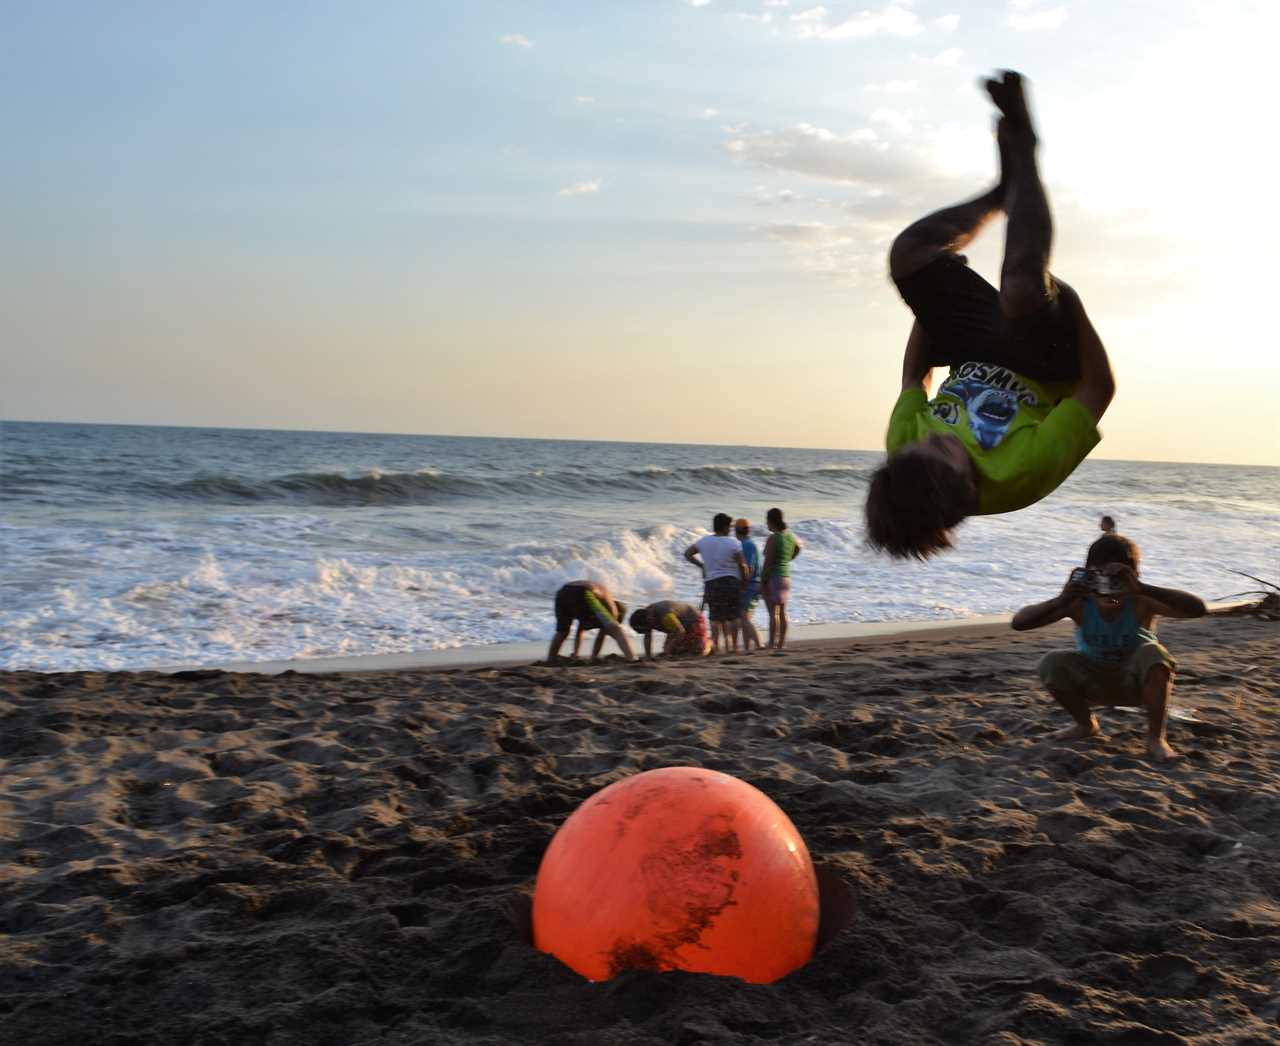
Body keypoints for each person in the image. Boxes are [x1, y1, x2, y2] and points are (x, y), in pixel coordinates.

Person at [865, 70, 1116, 560]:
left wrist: (934, 311)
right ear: (965, 485)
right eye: (940, 448)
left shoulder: (906, 453)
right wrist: (1074, 304)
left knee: (908, 256)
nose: (931, 436)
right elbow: (1099, 389)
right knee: (1021, 287)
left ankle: (1003, 191)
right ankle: (1027, 155)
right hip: (1049, 363)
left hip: (974, 345)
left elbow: (915, 377)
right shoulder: (1020, 475)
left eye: (918, 445)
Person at [1011, 532, 1206, 761]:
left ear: (1133, 575)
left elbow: (1197, 609)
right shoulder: (1080, 604)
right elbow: (1019, 623)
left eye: (1117, 578)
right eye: (1100, 577)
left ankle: (1156, 738)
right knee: (1052, 661)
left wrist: (1143, 588)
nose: (1109, 586)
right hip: (1095, 682)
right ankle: (1085, 725)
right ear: (1088, 575)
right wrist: (1060, 600)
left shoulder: (1141, 601)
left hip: (1137, 683)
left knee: (1153, 653)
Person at [683, 513, 749, 653]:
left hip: (712, 583)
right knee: (733, 616)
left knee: (715, 617)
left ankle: (717, 647)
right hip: (731, 581)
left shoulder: (703, 541)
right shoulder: (733, 542)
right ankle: (734, 647)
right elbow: (743, 565)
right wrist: (744, 581)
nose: (731, 529)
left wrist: (701, 565)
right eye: (730, 526)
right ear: (725, 527)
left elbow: (687, 554)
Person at [547, 580, 637, 663]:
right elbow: (603, 634)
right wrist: (594, 657)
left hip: (562, 593)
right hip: (584, 591)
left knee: (562, 632)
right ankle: (632, 658)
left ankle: (551, 659)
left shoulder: (591, 607)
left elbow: (580, 630)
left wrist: (576, 654)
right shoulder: (612, 606)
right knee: (615, 628)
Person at [761, 507, 801, 650]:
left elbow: (768, 561)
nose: (766, 524)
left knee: (773, 613)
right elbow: (798, 548)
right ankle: (781, 643)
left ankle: (772, 643)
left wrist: (762, 580)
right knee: (783, 612)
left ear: (772, 521)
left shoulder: (773, 538)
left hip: (774, 577)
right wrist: (788, 559)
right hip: (785, 576)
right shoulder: (790, 536)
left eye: (767, 521)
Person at [628, 601, 710, 659]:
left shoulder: (666, 615)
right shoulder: (646, 616)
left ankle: (710, 643)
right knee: (675, 652)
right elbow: (648, 637)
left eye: (648, 627)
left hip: (693, 621)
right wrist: (648, 656)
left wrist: (668, 649)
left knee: (699, 652)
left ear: (648, 619)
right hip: (675, 629)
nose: (649, 629)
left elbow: (680, 632)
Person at [735, 518, 763, 652]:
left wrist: (742, 584)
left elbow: (749, 569)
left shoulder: (746, 545)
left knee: (744, 618)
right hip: (753, 584)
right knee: (744, 619)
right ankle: (747, 647)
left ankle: (759, 644)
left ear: (737, 530)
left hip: (750, 585)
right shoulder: (748, 543)